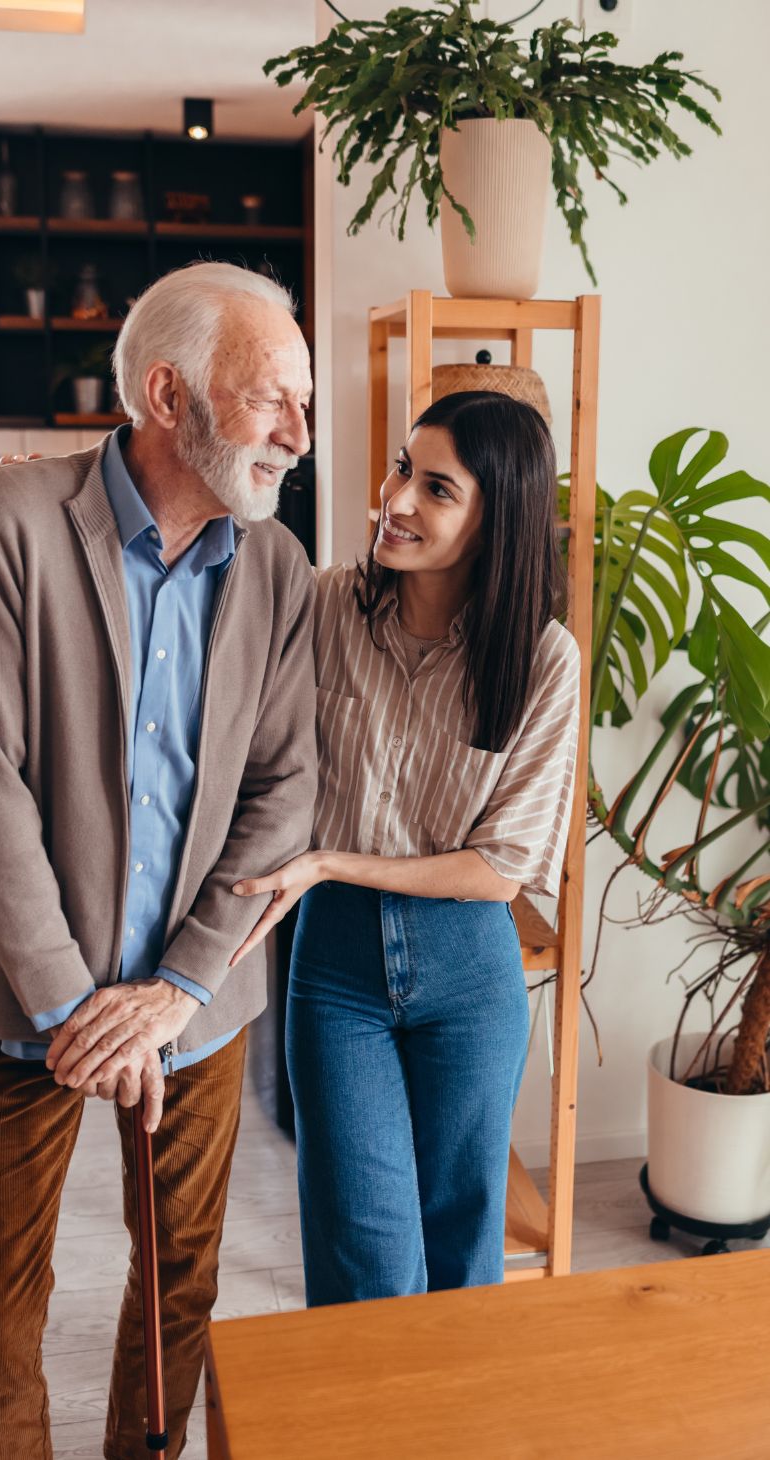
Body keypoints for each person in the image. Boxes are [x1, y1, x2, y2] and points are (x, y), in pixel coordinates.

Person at [0, 260, 317, 1459]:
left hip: (195, 1014)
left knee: (181, 1289)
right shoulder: (5, 521)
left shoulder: (280, 570)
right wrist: (76, 1009)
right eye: (269, 401)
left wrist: (175, 989)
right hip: (10, 1018)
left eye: (303, 402)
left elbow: (283, 789)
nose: (297, 434)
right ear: (165, 392)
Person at [231, 391, 582, 1304]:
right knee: (364, 1258)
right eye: (399, 468)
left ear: (495, 517)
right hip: (336, 969)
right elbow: (205, 573)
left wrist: (329, 861)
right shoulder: (322, 607)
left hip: (470, 972)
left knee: (465, 1248)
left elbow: (501, 870)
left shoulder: (542, 660)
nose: (397, 500)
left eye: (437, 488)